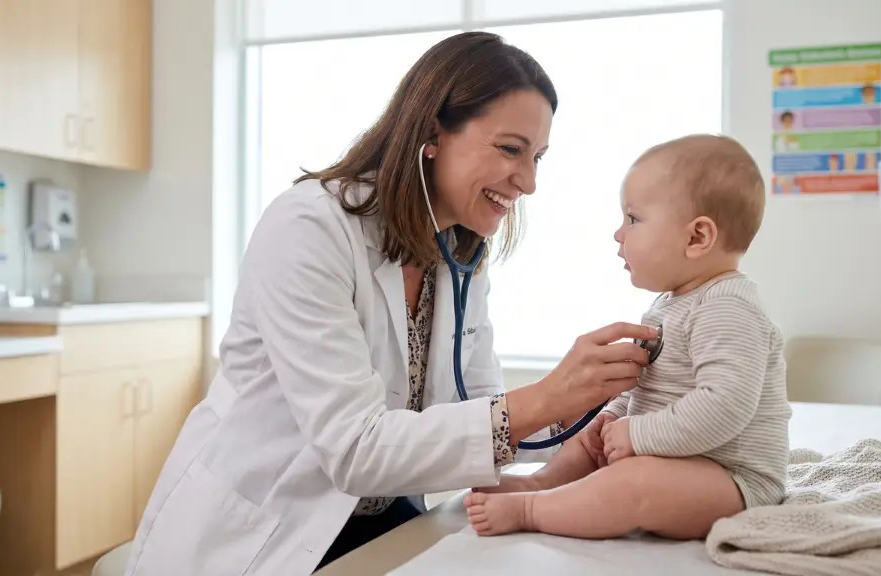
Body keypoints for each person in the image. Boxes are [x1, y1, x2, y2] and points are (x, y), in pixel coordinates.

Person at [123, 31, 658, 576]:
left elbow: (481, 406)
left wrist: (586, 414)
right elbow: (357, 449)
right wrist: (545, 398)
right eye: (510, 149)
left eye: (538, 156)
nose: (529, 182)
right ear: (432, 132)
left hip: (384, 512)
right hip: (269, 526)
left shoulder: (460, 253)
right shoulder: (309, 228)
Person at [463, 134, 792, 541]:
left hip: (732, 480)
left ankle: (532, 509)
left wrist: (638, 434)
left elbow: (724, 407)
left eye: (633, 219)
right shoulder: (667, 305)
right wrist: (615, 416)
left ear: (697, 238)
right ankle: (539, 483)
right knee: (590, 438)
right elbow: (646, 386)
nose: (619, 234)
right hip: (672, 457)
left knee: (636, 481)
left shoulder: (729, 308)